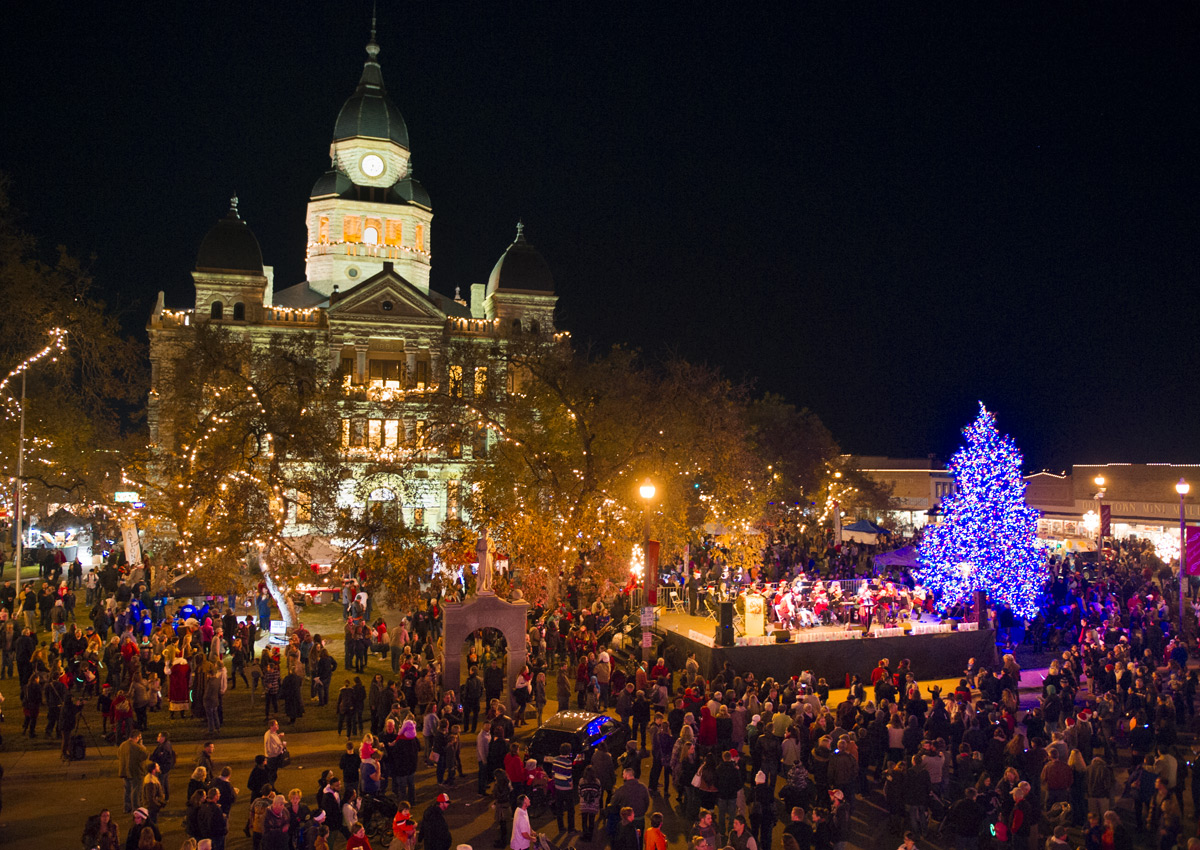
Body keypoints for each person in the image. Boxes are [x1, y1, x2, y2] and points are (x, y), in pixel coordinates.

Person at [118, 730, 151, 814]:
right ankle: (136, 808)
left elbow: (118, 755)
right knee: (136, 790)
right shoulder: (136, 747)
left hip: (125, 771)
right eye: (139, 737)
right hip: (135, 772)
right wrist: (142, 746)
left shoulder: (122, 745)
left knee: (127, 790)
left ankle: (126, 807)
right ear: (137, 737)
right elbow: (145, 755)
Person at [264, 719, 287, 784]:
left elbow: (274, 741)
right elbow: (272, 749)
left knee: (273, 774)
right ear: (271, 726)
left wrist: (278, 736)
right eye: (276, 724)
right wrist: (282, 747)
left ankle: (270, 788)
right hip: (272, 758)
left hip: (273, 757)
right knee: (272, 775)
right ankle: (270, 789)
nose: (277, 725)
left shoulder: (272, 733)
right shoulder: (270, 736)